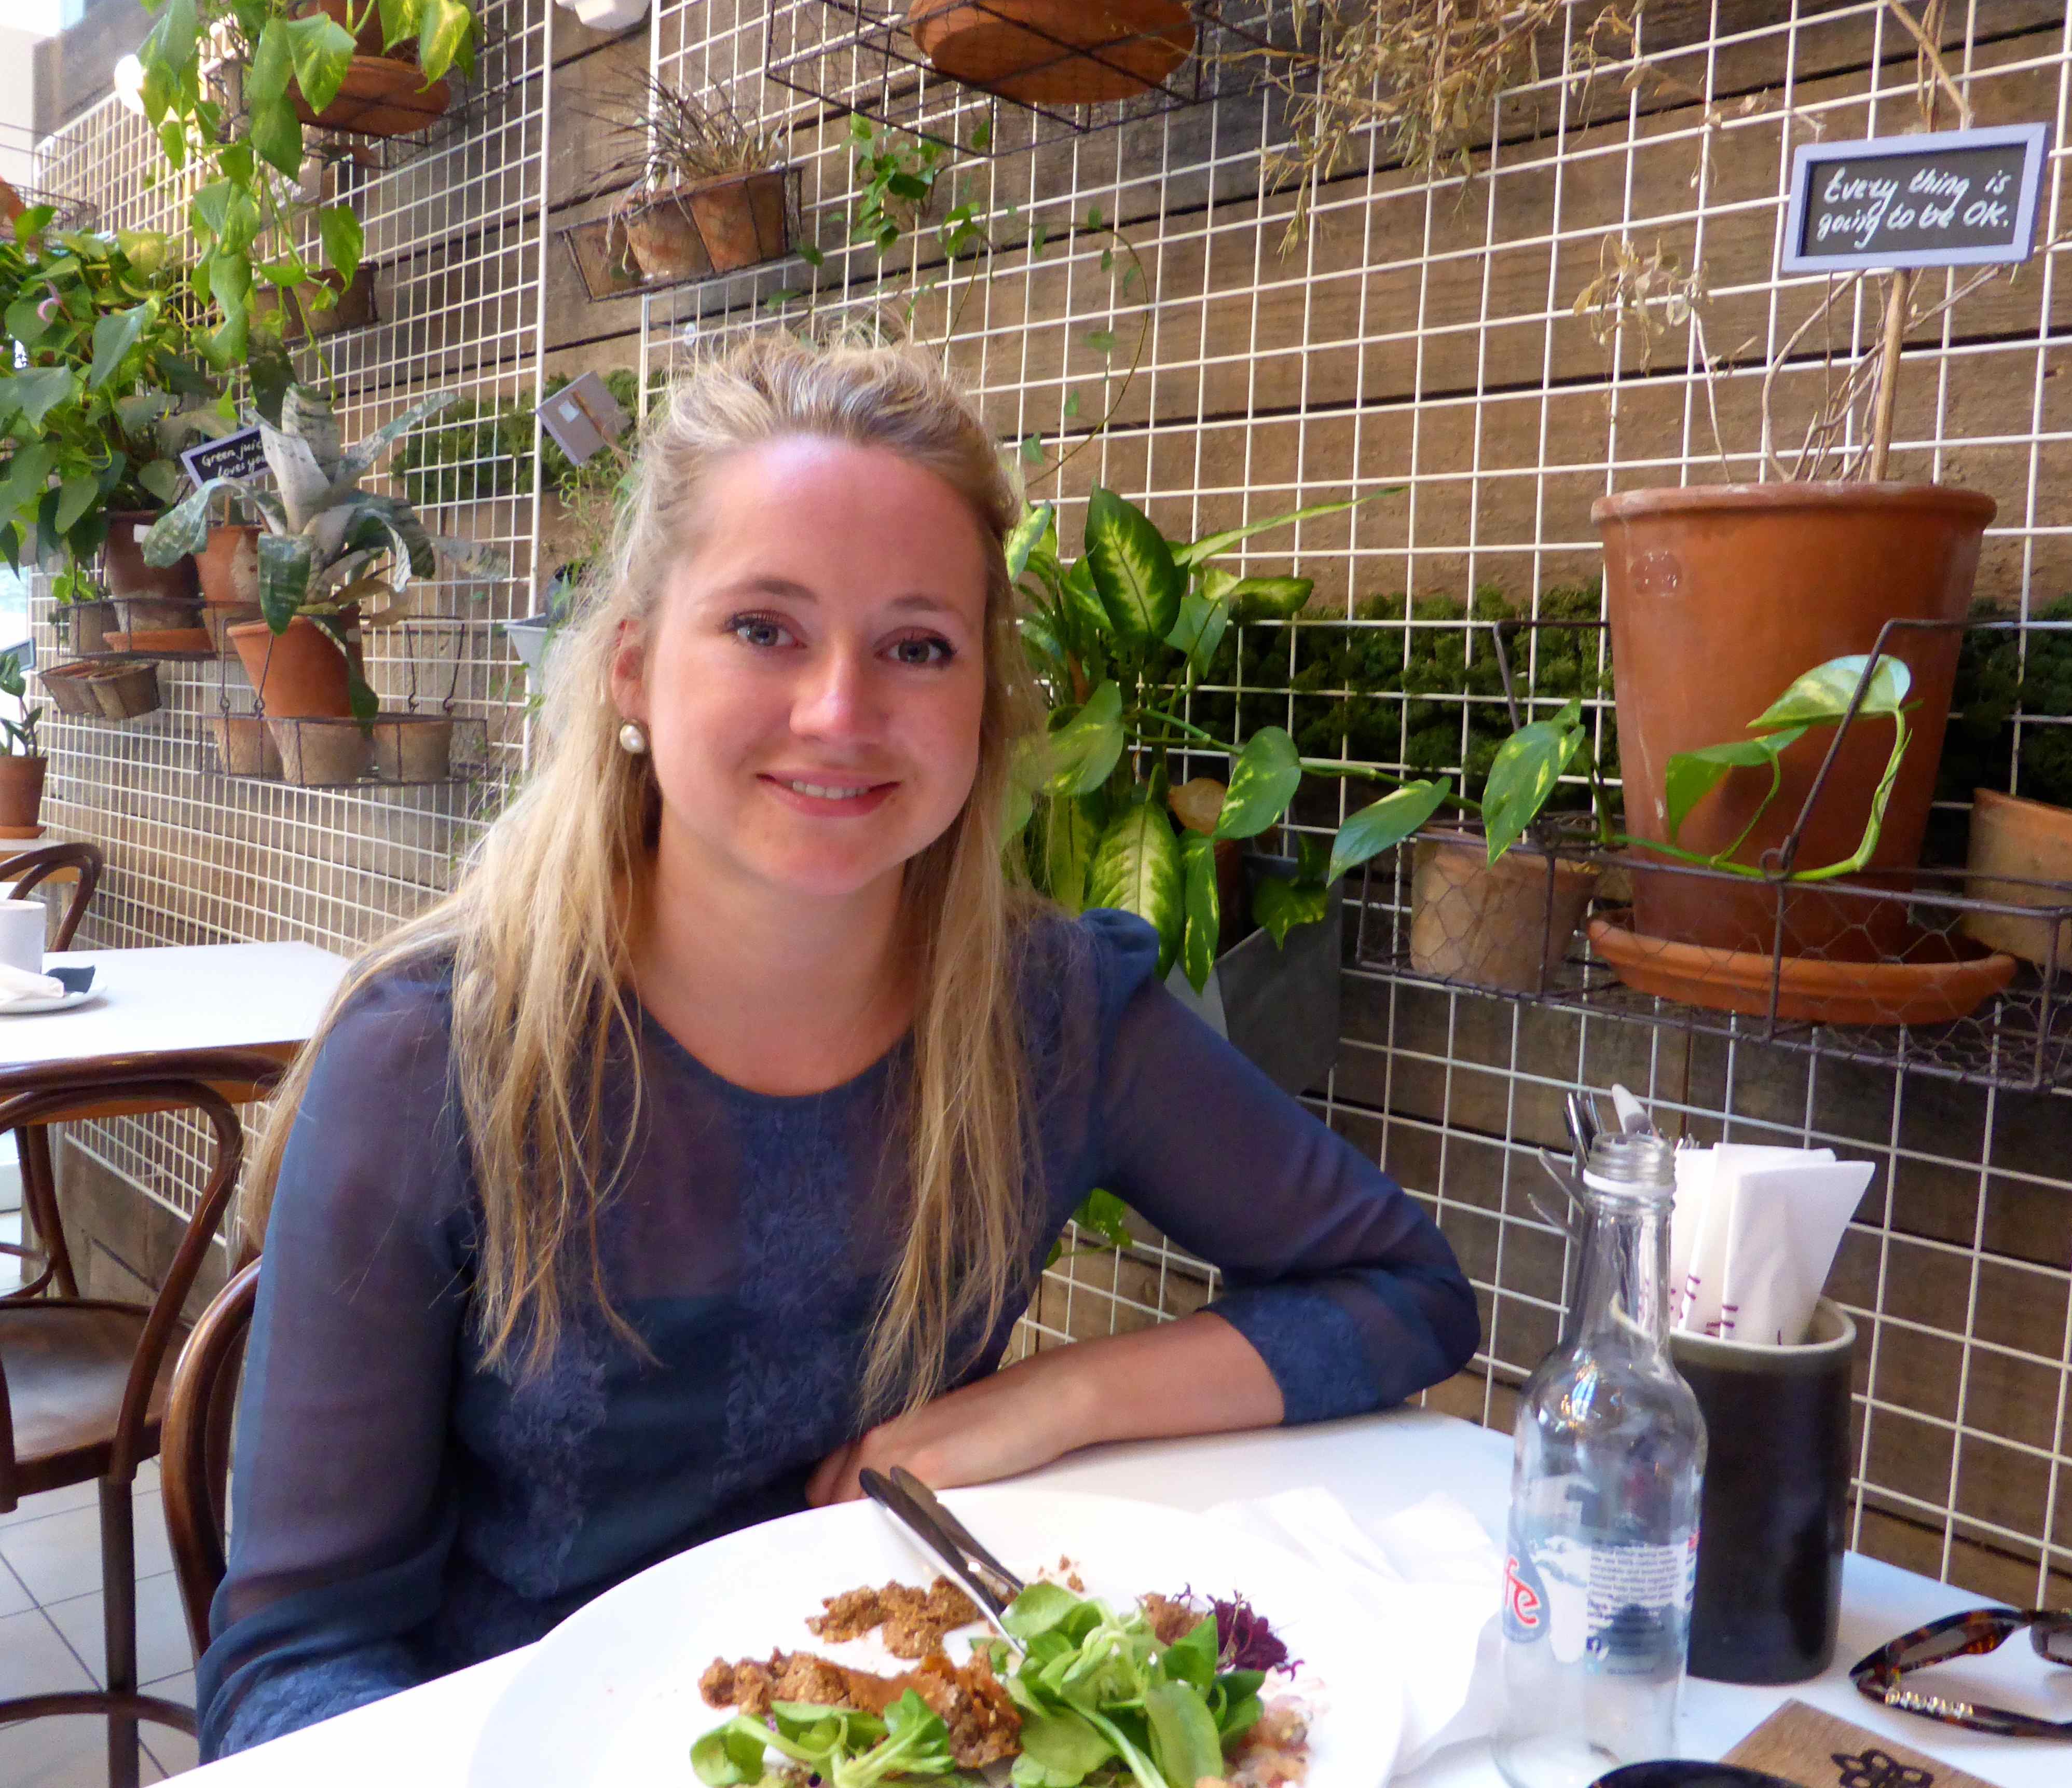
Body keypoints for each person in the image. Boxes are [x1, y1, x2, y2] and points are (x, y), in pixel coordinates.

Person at [198, 336, 1480, 1758]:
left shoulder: (1057, 1014)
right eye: (765, 628)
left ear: (985, 703)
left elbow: (1406, 1292)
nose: (839, 712)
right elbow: (293, 1664)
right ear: (633, 669)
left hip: (907, 1735)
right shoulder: (431, 1062)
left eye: (917, 648)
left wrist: (1050, 1399)